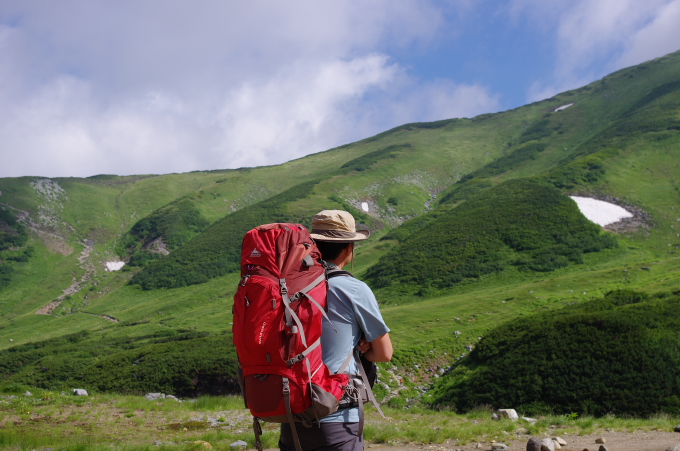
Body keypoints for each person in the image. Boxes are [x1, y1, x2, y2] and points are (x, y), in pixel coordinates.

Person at [279, 210, 393, 451]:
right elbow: (384, 354)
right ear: (348, 248)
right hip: (336, 417)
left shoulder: (288, 287)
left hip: (291, 417)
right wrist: (364, 349)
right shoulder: (353, 288)